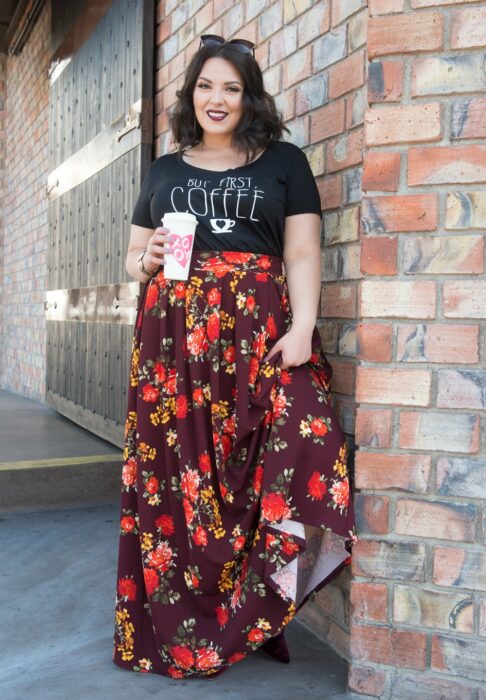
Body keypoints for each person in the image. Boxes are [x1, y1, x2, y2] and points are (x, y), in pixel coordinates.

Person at [112, 34, 356, 680]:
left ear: (249, 98)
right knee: (182, 483)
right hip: (175, 351)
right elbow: (134, 259)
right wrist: (148, 259)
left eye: (231, 88)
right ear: (190, 96)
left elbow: (301, 252)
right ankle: (186, 625)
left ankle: (253, 611)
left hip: (259, 340)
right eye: (205, 87)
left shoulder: (284, 163)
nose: (216, 99)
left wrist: (303, 325)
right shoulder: (164, 171)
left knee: (301, 448)